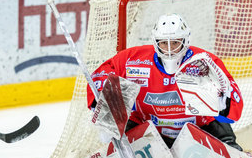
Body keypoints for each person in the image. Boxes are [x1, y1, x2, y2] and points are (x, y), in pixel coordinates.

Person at [86, 13, 243, 150]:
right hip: (149, 131)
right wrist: (103, 97)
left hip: (200, 130)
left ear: (185, 41)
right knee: (115, 95)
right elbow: (100, 75)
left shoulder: (205, 62)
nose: (169, 48)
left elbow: (234, 109)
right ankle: (116, 152)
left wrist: (225, 105)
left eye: (175, 42)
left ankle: (229, 149)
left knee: (223, 133)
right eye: (163, 42)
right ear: (156, 42)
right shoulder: (132, 60)